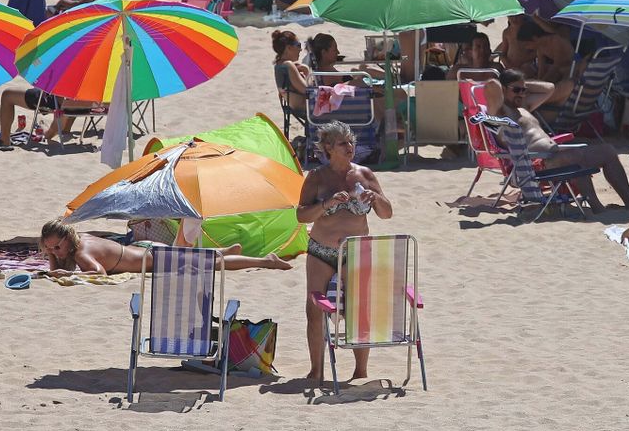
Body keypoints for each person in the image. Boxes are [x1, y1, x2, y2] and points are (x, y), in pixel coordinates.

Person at [296, 121, 393, 384]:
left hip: (356, 252)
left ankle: (360, 370)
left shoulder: (365, 175)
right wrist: (326, 204)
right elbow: (301, 215)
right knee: (314, 310)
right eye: (343, 143)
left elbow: (387, 214)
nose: (350, 147)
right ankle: (317, 370)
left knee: (358, 310)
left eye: (351, 142)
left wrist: (376, 199)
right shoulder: (317, 177)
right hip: (321, 251)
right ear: (328, 148)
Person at [495, 69, 629, 211]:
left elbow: (549, 88)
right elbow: (492, 88)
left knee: (608, 151)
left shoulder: (524, 108)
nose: (521, 94)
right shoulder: (500, 112)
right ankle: (597, 208)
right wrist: (505, 84)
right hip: (532, 164)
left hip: (554, 155)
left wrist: (521, 84)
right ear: (503, 90)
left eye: (523, 90)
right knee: (574, 157)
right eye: (516, 90)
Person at [39, 220, 291, 275]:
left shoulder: (81, 253)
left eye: (57, 247)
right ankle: (222, 250)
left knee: (213, 267)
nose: (55, 252)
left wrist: (63, 271)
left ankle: (265, 260)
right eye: (50, 249)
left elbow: (98, 273)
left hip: (154, 258)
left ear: (68, 239)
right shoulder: (80, 238)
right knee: (196, 258)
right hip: (146, 249)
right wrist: (52, 257)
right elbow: (57, 266)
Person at [0, 86, 88, 151]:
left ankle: (4, 139)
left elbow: (60, 96)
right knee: (69, 103)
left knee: (7, 95)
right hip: (82, 103)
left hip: (56, 99)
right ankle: (58, 129)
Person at [273, 30, 311, 121]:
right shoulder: (288, 65)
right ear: (289, 48)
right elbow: (308, 91)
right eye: (298, 45)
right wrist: (306, 71)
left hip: (295, 107)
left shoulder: (279, 66)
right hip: (307, 108)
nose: (300, 49)